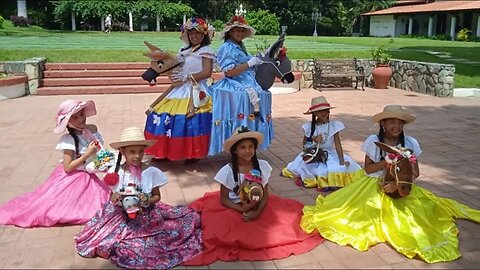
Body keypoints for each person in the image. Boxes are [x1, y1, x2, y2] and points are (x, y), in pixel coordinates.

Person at [300, 105, 480, 263]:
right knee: (364, 213)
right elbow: (369, 169)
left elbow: (415, 172)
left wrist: (398, 182)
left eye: (400, 122)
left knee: (417, 216)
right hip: (373, 183)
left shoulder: (410, 143)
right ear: (383, 124)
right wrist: (386, 163)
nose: (396, 126)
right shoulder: (373, 141)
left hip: (402, 185)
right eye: (391, 122)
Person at [183, 126, 324, 266]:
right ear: (235, 151)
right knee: (222, 232)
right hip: (234, 206)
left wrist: (257, 212)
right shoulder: (227, 171)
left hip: (258, 205)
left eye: (251, 147)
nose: (247, 151)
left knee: (281, 226)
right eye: (243, 147)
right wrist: (241, 209)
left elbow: (265, 195)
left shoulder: (262, 166)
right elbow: (224, 198)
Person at [75, 127, 203, 269]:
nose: (137, 156)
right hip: (120, 215)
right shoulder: (116, 173)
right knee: (108, 241)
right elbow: (111, 198)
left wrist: (147, 200)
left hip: (146, 214)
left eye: (140, 151)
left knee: (175, 230)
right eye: (132, 152)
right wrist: (116, 198)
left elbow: (157, 196)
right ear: (123, 152)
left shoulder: (150, 172)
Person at [0, 99, 111, 228]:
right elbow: (68, 167)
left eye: (81, 115)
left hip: (89, 173)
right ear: (68, 122)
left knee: (104, 199)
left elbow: (98, 150)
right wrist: (87, 154)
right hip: (73, 177)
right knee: (60, 208)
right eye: (75, 117)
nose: (81, 119)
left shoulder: (91, 130)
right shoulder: (69, 140)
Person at [144, 17, 215, 162]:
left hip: (196, 88)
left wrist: (187, 77)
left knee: (190, 120)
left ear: (204, 35)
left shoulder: (206, 51)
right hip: (179, 88)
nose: (194, 36)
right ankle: (164, 150)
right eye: (191, 33)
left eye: (198, 33)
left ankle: (192, 153)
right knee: (164, 115)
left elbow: (207, 72)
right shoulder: (183, 50)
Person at [207, 15, 273, 156]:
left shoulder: (240, 47)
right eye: (237, 30)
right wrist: (249, 63)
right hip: (235, 83)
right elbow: (230, 72)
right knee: (243, 101)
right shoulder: (226, 48)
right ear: (230, 32)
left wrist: (258, 60)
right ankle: (237, 143)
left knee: (263, 95)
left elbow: (247, 66)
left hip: (249, 82)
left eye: (242, 31)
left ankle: (249, 144)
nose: (240, 33)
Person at [281, 96, 361, 191]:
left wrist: (341, 160)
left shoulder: (333, 126)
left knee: (339, 168)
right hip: (314, 154)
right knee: (311, 169)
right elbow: (304, 145)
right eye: (319, 111)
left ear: (329, 111)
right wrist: (314, 140)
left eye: (325, 110)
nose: (323, 113)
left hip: (329, 154)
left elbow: (338, 144)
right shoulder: (310, 127)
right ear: (314, 113)